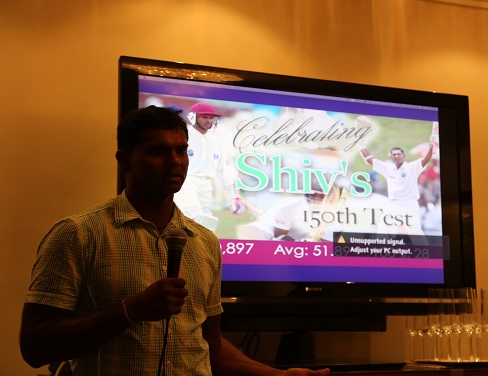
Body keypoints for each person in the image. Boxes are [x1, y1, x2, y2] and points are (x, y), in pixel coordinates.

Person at [19, 106, 329, 376]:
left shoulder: (204, 242)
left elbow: (209, 347)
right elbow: (34, 347)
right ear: (124, 161)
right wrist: (130, 310)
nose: (174, 161)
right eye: (157, 151)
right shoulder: (79, 233)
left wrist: (277, 375)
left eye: (182, 151)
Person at [173, 102, 244, 232]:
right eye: (204, 117)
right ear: (193, 117)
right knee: (194, 215)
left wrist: (233, 196)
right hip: (186, 181)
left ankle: (203, 245)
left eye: (211, 117)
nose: (209, 120)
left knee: (206, 220)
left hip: (206, 184)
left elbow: (223, 169)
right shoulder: (182, 136)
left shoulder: (215, 141)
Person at [358, 122, 437, 237]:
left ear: (404, 156)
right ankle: (380, 247)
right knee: (383, 229)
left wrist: (431, 147)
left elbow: (426, 159)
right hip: (393, 204)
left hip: (410, 204)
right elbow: (369, 160)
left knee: (415, 233)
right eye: (394, 155)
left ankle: (424, 249)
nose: (396, 156)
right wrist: (361, 145)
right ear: (391, 157)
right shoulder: (387, 167)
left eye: (399, 154)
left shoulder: (412, 167)